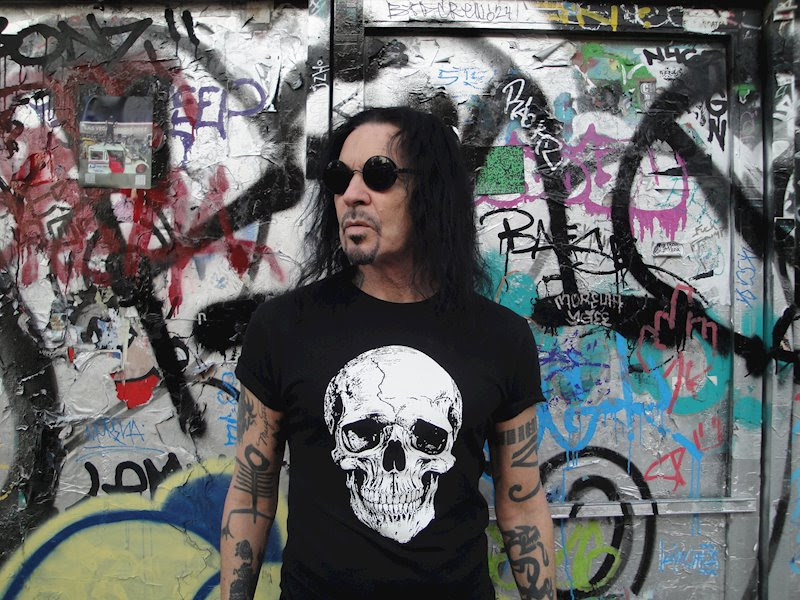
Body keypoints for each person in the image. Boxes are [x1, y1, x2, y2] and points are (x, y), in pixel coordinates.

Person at [220, 106, 554, 600]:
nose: (352, 195)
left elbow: (521, 504)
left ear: (432, 192)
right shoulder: (284, 327)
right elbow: (252, 492)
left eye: (378, 175)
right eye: (340, 178)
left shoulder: (500, 337)